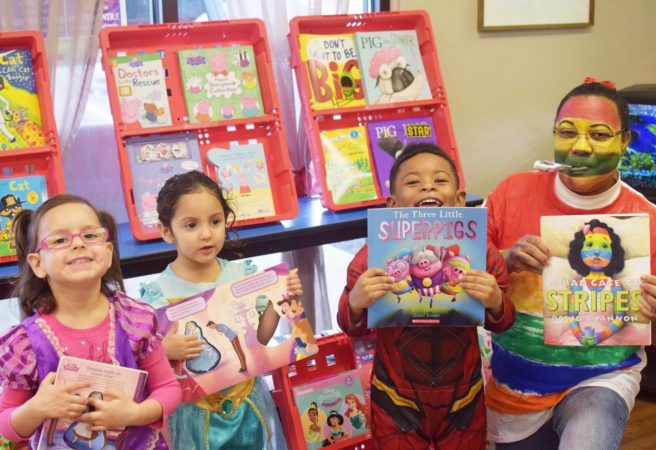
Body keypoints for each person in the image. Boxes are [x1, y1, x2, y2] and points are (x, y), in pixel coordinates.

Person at [484, 80, 656, 449]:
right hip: (515, 388)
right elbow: (461, 283)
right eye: (567, 132)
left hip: (602, 379)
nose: (581, 147)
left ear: (625, 141)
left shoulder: (653, 224)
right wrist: (506, 260)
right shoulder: (509, 194)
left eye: (600, 135)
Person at [337, 143, 516, 448]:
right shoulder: (371, 259)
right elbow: (351, 326)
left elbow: (502, 322)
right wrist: (356, 302)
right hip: (395, 395)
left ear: (459, 199)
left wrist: (496, 301)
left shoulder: (482, 256)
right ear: (392, 204)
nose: (428, 186)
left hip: (464, 395)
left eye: (440, 180)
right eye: (413, 182)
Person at [0, 194, 181, 449]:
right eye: (60, 239)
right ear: (38, 264)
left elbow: (168, 388)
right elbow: (7, 424)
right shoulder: (24, 344)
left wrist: (134, 414)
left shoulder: (135, 320)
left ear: (108, 253)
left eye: (90, 235)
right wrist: (36, 408)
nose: (78, 244)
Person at [139, 170, 301, 450]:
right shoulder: (158, 294)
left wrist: (281, 300)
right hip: (194, 416)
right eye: (191, 225)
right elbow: (145, 364)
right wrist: (163, 350)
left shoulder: (243, 276)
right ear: (167, 231)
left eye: (215, 221)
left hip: (249, 403)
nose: (206, 234)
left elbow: (261, 338)